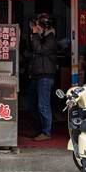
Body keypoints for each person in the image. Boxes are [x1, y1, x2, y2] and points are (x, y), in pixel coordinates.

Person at [26, 13, 59, 142]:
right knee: (31, 105)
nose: (37, 26)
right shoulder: (43, 37)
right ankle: (40, 130)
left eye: (39, 24)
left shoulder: (51, 39)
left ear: (45, 26)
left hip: (45, 77)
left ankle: (46, 132)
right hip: (37, 75)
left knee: (43, 105)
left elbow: (39, 50)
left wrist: (34, 34)